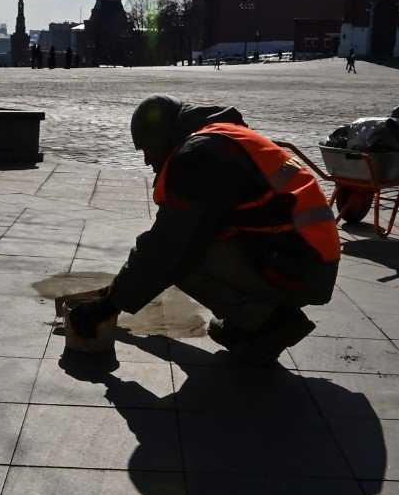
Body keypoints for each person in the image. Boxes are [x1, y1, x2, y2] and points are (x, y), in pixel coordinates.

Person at [63, 96, 339, 365]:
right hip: (304, 256)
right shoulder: (219, 138)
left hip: (298, 266)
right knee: (189, 245)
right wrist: (116, 292)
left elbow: (167, 246)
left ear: (164, 138)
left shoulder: (197, 156)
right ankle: (257, 317)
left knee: (184, 259)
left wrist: (110, 305)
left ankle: (270, 322)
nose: (147, 160)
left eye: (148, 149)